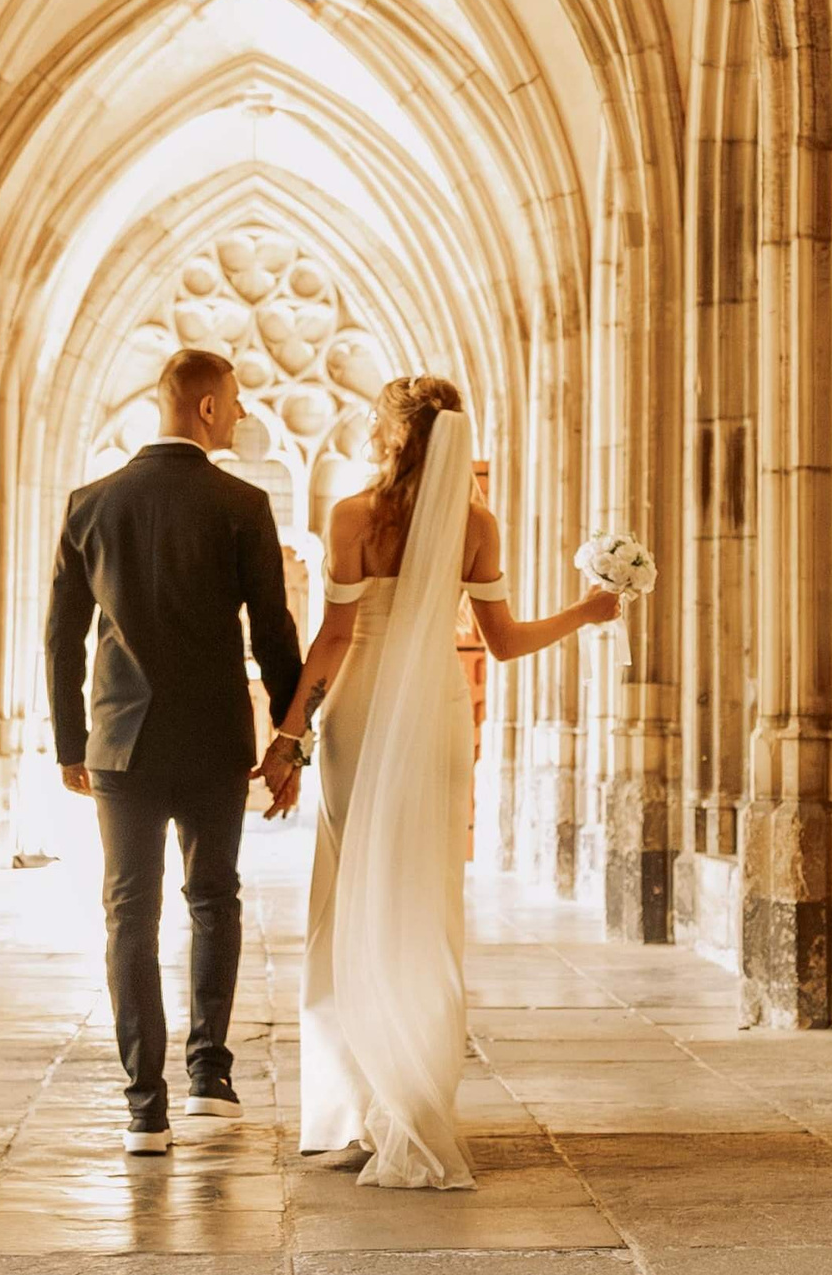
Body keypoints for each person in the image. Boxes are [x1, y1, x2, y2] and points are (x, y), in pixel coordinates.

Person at [260, 376, 620, 1188]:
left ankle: (346, 1109)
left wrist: (290, 734)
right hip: (435, 714)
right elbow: (503, 641)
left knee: (345, 890)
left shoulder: (351, 517)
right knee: (423, 898)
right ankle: (414, 1101)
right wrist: (585, 613)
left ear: (389, 435)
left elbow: (336, 636)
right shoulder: (474, 524)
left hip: (359, 711)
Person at [46, 348, 305, 1154]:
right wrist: (288, 741)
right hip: (214, 741)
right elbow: (273, 631)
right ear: (203, 408)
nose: (239, 415)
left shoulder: (92, 503)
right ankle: (209, 1075)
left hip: (119, 741)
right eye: (232, 402)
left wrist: (69, 741)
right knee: (213, 899)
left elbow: (62, 638)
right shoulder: (242, 503)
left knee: (129, 913)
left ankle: (143, 1109)